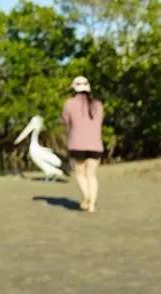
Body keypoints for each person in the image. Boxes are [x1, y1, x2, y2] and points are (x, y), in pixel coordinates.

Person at [62, 76, 105, 213]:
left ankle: (86, 195)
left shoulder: (69, 103)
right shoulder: (98, 104)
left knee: (80, 173)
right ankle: (92, 205)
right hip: (96, 145)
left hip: (77, 144)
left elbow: (65, 121)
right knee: (92, 175)